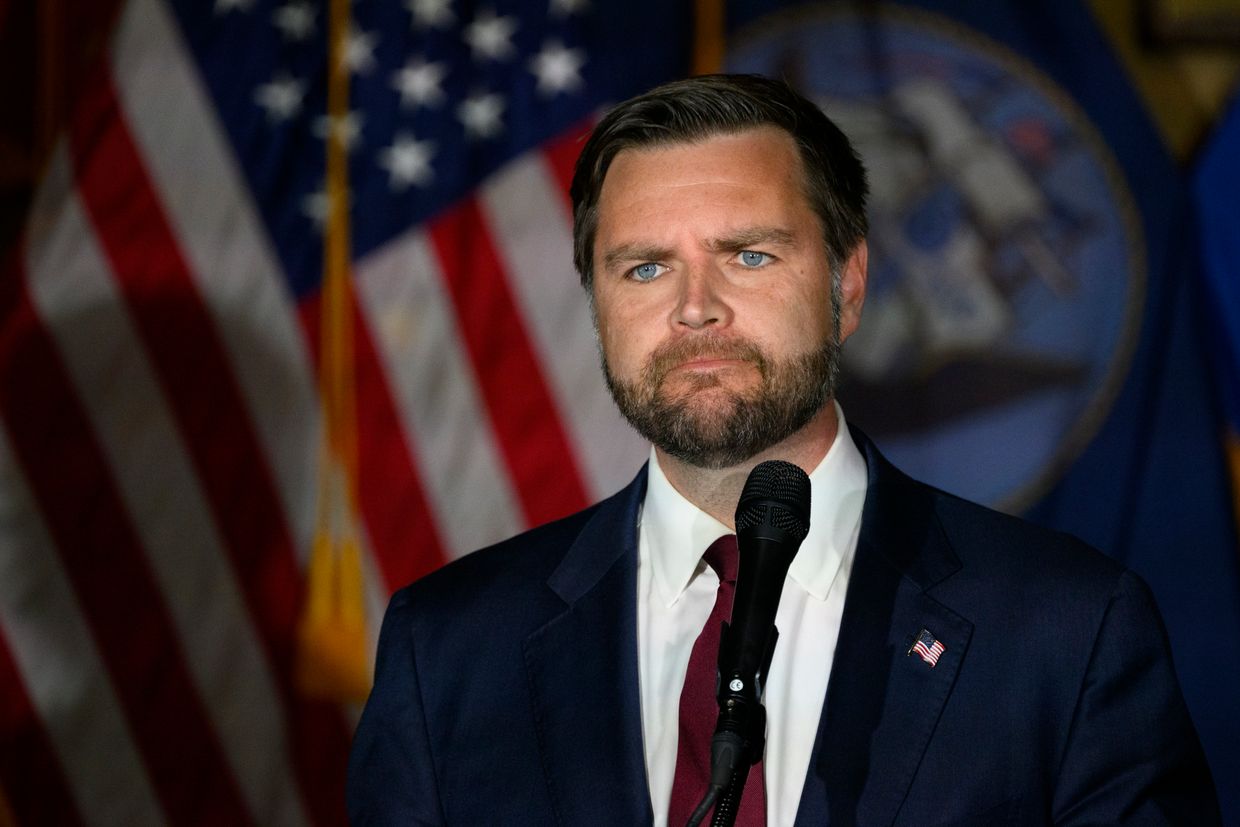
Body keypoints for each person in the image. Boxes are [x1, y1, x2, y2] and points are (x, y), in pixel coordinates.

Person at [347, 74, 1219, 826]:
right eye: (644, 268)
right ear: (597, 305)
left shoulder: (1067, 634)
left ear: (847, 286)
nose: (696, 308)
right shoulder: (451, 651)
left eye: (750, 255)